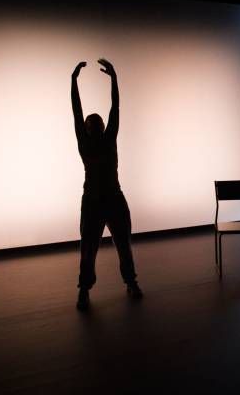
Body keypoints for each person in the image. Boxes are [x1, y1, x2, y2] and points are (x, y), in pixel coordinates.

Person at [71, 58, 142, 311]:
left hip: (112, 198)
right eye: (95, 124)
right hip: (93, 200)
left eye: (99, 123)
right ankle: (84, 289)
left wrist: (114, 78)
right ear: (89, 129)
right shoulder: (86, 143)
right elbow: (77, 111)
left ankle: (131, 282)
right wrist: (73, 82)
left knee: (123, 244)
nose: (99, 125)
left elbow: (116, 108)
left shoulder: (108, 138)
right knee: (88, 249)